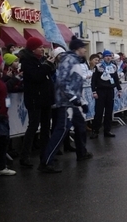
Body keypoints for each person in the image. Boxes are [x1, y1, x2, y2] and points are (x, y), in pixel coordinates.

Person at [39, 37, 93, 173]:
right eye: (82, 47)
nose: (85, 49)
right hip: (66, 103)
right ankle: (46, 162)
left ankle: (82, 153)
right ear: (77, 49)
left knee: (80, 127)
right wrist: (74, 98)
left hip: (73, 103)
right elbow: (62, 82)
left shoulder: (76, 61)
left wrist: (82, 102)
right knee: (61, 130)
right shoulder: (68, 60)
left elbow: (77, 85)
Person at [18, 37, 56, 168]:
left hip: (45, 99)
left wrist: (51, 65)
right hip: (35, 99)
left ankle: (45, 155)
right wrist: (46, 66)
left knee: (46, 128)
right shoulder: (27, 62)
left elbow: (47, 74)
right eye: (40, 47)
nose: (42, 49)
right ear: (33, 49)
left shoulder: (40, 60)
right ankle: (25, 155)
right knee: (33, 127)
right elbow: (36, 76)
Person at [90, 49, 122, 139]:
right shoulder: (98, 67)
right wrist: (94, 91)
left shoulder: (113, 67)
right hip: (100, 91)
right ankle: (95, 131)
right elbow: (94, 81)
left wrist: (119, 89)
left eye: (109, 56)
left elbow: (116, 79)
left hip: (110, 91)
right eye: (106, 56)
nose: (108, 58)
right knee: (99, 112)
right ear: (103, 57)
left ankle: (107, 130)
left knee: (109, 112)